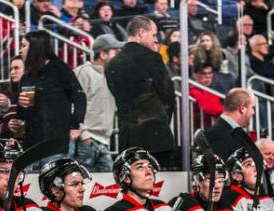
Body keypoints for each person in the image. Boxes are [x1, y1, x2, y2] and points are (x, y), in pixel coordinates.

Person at [106, 16, 176, 167]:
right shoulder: (152, 58)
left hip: (127, 138)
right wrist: (164, 121)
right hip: (155, 136)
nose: (156, 40)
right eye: (154, 35)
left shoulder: (112, 64)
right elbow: (168, 95)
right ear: (141, 33)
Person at [17, 30, 87, 168]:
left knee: (55, 185)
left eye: (24, 45)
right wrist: (21, 105)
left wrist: (75, 125)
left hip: (56, 143)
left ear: (35, 47)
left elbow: (79, 96)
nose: (20, 50)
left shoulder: (59, 69)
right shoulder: (27, 77)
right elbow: (23, 113)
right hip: (32, 145)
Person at [73, 35, 122, 172]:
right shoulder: (84, 72)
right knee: (83, 185)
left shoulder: (112, 76)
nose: (119, 56)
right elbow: (72, 105)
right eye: (116, 52)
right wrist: (84, 135)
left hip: (104, 142)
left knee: (107, 188)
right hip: (86, 141)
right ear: (103, 54)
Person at [203, 88, 256, 162]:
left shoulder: (227, 131)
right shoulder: (218, 135)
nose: (253, 112)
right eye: (252, 108)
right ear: (242, 108)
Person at [0, 56, 26, 139]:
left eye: (16, 68)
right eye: (11, 69)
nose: (12, 72)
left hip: (32, 142)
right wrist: (7, 126)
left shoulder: (36, 92)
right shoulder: (4, 94)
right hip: (9, 143)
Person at [190, 63, 224, 128]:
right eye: (204, 73)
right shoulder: (193, 91)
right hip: (199, 131)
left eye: (210, 73)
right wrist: (229, 111)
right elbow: (210, 109)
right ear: (195, 75)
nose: (208, 76)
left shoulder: (210, 91)